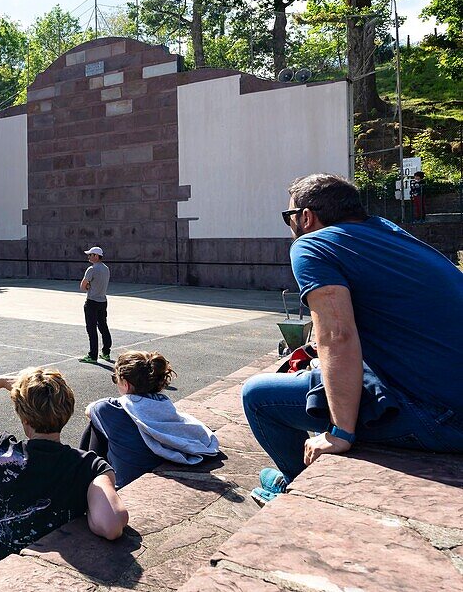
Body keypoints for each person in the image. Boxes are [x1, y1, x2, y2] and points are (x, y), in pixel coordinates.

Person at [241, 173, 463, 498]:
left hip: (444, 419)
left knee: (259, 396)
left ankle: (300, 490)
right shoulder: (391, 233)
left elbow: (337, 335)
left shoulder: (312, 244)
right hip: (446, 395)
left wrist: (340, 432)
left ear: (306, 217)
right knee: (325, 381)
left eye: (288, 217)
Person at [0, 367, 128, 584]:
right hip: (34, 575)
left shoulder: (0, 450)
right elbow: (110, 526)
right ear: (68, 410)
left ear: (24, 418)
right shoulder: (89, 466)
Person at [82, 351, 218, 488]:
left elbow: (89, 410)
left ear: (126, 384)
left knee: (95, 424)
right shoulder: (164, 404)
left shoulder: (108, 408)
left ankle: (87, 484)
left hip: (125, 484)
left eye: (115, 379)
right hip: (157, 471)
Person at [78, 246, 112, 365]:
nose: (88, 257)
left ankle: (93, 355)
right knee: (103, 326)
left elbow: (82, 286)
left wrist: (88, 286)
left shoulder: (91, 269)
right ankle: (106, 352)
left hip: (92, 301)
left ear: (96, 256)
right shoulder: (106, 268)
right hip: (103, 301)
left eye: (91, 255)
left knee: (91, 328)